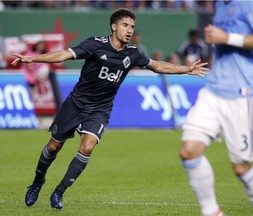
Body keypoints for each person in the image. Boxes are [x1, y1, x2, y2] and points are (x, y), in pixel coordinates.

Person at [12, 8, 208, 210]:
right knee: (54, 146)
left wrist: (187, 69)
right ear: (114, 26)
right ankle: (37, 182)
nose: (129, 30)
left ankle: (59, 192)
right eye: (125, 25)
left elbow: (158, 66)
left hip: (100, 109)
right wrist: (33, 58)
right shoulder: (95, 45)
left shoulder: (133, 53)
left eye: (132, 26)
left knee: (87, 147)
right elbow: (64, 54)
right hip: (76, 103)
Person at [179, 1, 253, 216]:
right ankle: (212, 212)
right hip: (213, 90)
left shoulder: (250, 3)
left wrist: (226, 37)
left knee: (242, 167)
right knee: (189, 151)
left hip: (243, 95)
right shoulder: (219, 5)